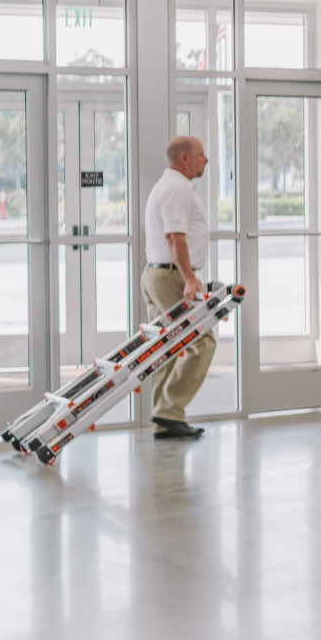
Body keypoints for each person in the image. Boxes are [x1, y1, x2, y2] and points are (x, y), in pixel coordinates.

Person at [140, 136, 214, 440]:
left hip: (159, 274)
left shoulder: (168, 185)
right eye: (200, 154)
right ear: (184, 158)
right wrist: (190, 279)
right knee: (203, 341)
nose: (205, 159)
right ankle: (168, 411)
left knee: (167, 347)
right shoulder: (176, 189)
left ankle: (164, 420)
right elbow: (175, 237)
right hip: (171, 276)